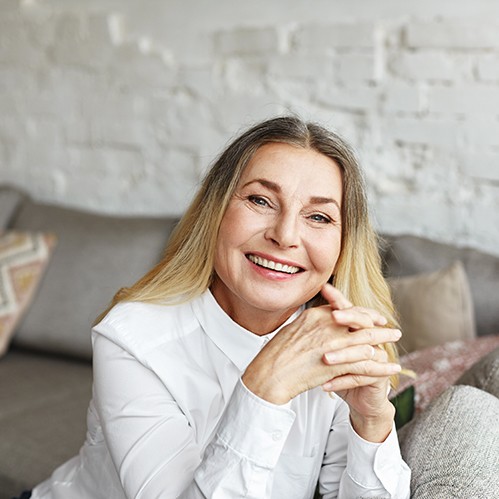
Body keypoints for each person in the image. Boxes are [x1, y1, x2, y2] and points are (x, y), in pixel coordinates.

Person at [26, 116, 410, 498]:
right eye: (260, 200)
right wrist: (265, 388)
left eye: (318, 217)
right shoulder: (132, 338)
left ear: (343, 243)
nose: (285, 235)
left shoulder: (336, 344)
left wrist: (371, 421)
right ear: (217, 211)